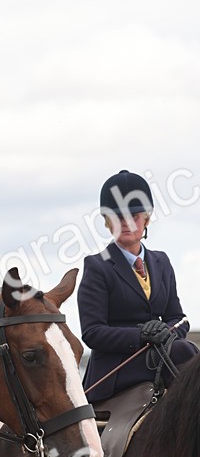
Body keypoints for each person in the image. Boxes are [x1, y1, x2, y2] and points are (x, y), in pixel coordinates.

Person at [78, 169, 196, 403]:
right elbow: (92, 333)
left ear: (146, 218)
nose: (126, 223)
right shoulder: (97, 266)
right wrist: (141, 335)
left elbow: (177, 317)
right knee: (185, 352)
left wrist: (166, 333)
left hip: (161, 355)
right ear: (107, 222)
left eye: (134, 216)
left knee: (189, 351)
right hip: (117, 366)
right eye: (118, 216)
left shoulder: (161, 262)